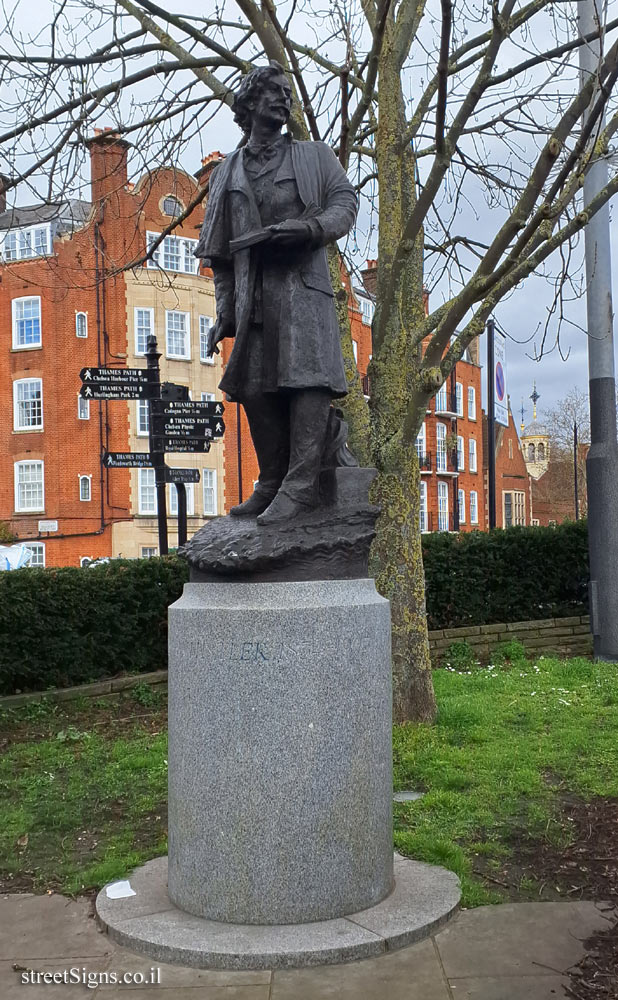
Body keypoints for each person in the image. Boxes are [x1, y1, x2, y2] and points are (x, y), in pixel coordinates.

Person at [195, 61, 358, 525]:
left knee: (307, 382)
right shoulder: (227, 172)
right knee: (252, 389)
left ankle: (301, 487)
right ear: (250, 103)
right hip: (255, 296)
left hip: (303, 290)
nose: (285, 99)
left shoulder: (313, 156)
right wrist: (225, 314)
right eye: (274, 92)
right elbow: (220, 256)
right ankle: (271, 481)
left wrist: (309, 229)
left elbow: (345, 204)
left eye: (288, 92)